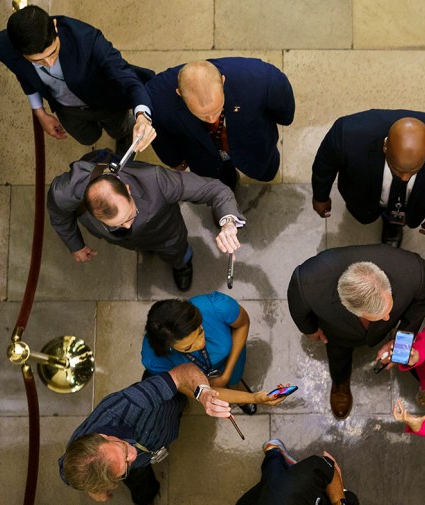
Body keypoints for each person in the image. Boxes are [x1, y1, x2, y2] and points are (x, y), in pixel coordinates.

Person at [47, 150, 245, 291]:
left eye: (130, 216)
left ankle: (182, 264)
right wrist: (75, 245)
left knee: (176, 251)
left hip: (165, 232)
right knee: (133, 241)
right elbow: (59, 215)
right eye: (117, 224)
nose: (128, 226)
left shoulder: (156, 180)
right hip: (131, 242)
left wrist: (227, 223)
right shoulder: (64, 192)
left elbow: (215, 190)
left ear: (127, 189)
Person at [287, 245, 425, 419]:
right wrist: (310, 331)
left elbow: (423, 300)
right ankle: (340, 382)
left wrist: (401, 343)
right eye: (378, 315)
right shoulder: (307, 281)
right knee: (337, 354)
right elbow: (298, 307)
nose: (389, 318)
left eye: (389, 309)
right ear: (345, 303)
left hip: (374, 330)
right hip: (337, 333)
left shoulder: (416, 272)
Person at [0, 5, 155, 155]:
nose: (49, 63)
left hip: (105, 101)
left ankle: (122, 136)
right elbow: (24, 75)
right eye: (38, 61)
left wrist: (142, 116)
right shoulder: (3, 47)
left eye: (52, 52)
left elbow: (126, 77)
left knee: (120, 128)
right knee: (87, 138)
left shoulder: (87, 40)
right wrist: (39, 111)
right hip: (66, 109)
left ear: (55, 26)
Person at [59, 363, 231, 504]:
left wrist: (203, 393)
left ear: (102, 437)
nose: (133, 455)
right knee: (141, 485)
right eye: (124, 468)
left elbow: (180, 373)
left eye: (124, 449)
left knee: (178, 405)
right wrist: (95, 488)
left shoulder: (134, 402)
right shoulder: (73, 469)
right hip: (149, 451)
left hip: (164, 414)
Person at [311, 109, 425, 247]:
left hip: (413, 204)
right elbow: (324, 166)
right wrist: (320, 197)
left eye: (414, 170)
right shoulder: (346, 134)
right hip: (363, 195)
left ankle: (393, 224)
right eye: (397, 169)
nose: (405, 178)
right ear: (385, 146)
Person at [146, 58, 295, 188]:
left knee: (265, 172)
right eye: (202, 115)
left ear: (223, 81)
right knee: (219, 182)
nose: (211, 119)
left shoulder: (262, 80)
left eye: (216, 110)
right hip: (203, 157)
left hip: (252, 147)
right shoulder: (156, 100)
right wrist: (174, 160)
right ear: (179, 93)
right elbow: (159, 133)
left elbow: (284, 113)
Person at [141, 292, 286, 415]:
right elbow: (202, 393)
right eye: (188, 347)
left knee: (235, 376)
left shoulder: (216, 307)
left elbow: (242, 324)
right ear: (168, 348)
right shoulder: (155, 360)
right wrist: (254, 398)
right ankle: (239, 392)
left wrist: (227, 374)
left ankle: (235, 384)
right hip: (201, 381)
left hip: (232, 357)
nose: (201, 343)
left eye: (200, 332)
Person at [235, 439, 359, 505]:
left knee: (273, 480)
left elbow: (325, 468)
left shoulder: (287, 493)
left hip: (281, 495)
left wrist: (339, 500)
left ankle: (274, 452)